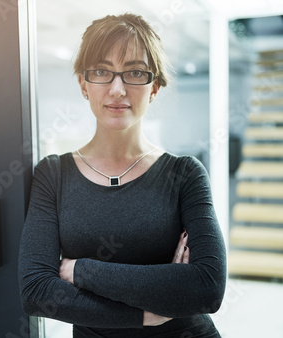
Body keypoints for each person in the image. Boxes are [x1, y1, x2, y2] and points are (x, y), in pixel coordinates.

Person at [18, 13, 226, 337]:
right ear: (83, 84)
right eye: (102, 71)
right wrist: (148, 311)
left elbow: (208, 287)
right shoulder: (54, 175)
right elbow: (37, 292)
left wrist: (79, 270)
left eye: (134, 73)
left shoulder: (184, 175)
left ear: (154, 87)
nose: (117, 89)